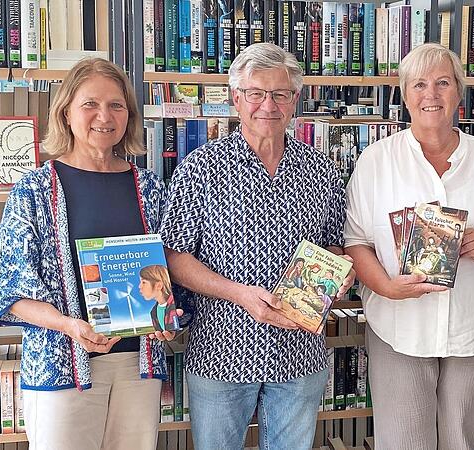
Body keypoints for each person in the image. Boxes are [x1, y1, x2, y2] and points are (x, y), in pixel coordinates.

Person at [160, 42, 355, 450]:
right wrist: (238, 294)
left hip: (300, 355)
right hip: (220, 353)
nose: (268, 104)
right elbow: (174, 257)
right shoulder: (199, 168)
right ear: (236, 98)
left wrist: (341, 274)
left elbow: (336, 246)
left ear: (295, 99)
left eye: (280, 94)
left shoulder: (322, 169)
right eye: (256, 93)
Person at [344, 43, 474, 449]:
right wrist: (385, 287)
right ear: (404, 95)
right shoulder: (376, 161)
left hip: (470, 327)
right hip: (399, 327)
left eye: (443, 83)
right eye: (419, 85)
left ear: (459, 94)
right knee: (404, 442)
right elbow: (356, 241)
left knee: (459, 441)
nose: (431, 95)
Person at [0, 58, 179, 450]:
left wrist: (168, 316)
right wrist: (69, 325)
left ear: (129, 115)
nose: (104, 116)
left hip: (137, 365)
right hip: (63, 362)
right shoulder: (35, 190)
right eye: (90, 104)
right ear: (65, 111)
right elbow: (12, 291)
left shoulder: (149, 188)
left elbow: (169, 273)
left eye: (116, 105)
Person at [139, 265, 180, 332]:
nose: (139, 286)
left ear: (159, 285)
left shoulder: (176, 305)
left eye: (144, 282)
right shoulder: (153, 312)